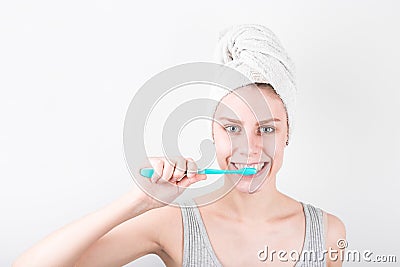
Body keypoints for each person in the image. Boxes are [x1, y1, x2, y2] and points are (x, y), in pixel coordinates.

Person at [13, 25, 346, 267]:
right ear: (212, 134)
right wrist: (137, 202)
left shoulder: (327, 232)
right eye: (232, 127)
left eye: (267, 129)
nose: (251, 148)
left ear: (288, 132)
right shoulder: (174, 223)